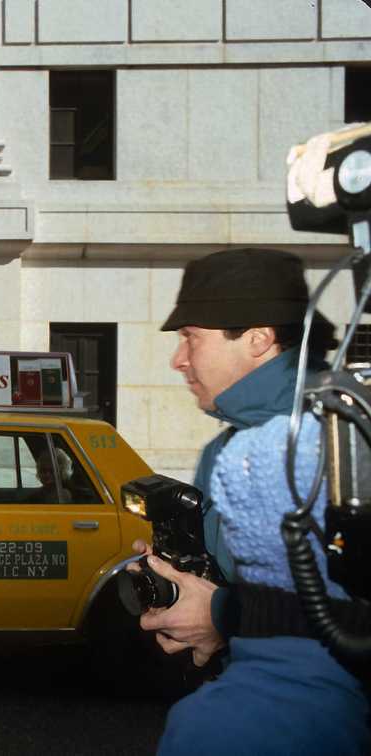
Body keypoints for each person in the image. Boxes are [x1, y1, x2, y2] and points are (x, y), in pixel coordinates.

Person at [134, 248, 368, 754]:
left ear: (258, 339)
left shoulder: (340, 443)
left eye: (191, 337)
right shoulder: (225, 447)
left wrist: (221, 612)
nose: (178, 359)